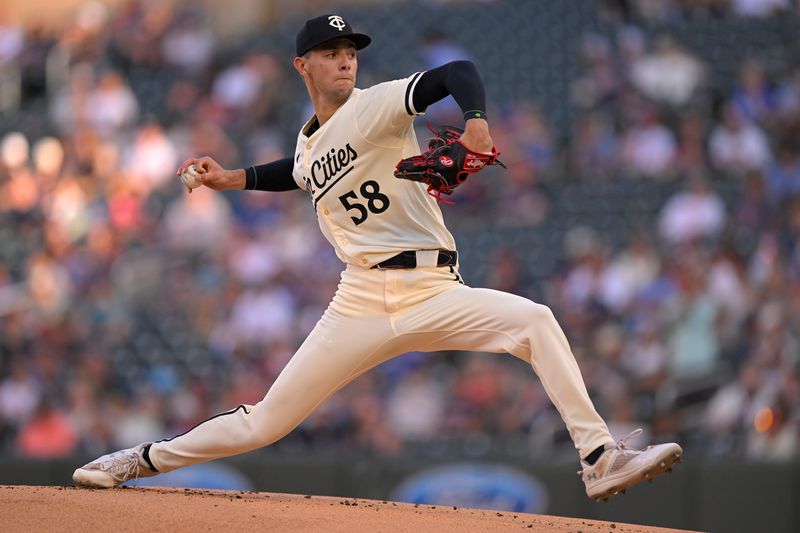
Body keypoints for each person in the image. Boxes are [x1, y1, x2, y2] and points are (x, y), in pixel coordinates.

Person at [73, 14, 682, 502]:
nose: (344, 59)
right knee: (265, 423)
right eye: (331, 51)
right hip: (360, 299)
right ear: (301, 65)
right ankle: (138, 459)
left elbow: (456, 71)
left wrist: (474, 121)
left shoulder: (378, 104)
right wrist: (235, 178)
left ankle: (600, 458)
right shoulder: (309, 139)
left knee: (535, 320)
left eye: (351, 51)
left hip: (436, 290)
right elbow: (302, 170)